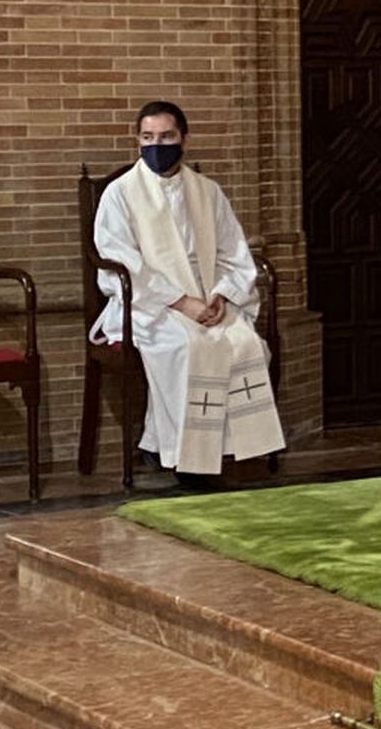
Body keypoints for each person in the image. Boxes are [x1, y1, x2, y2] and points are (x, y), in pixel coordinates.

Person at [92, 101, 285, 477]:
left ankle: (226, 448)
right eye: (147, 137)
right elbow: (119, 263)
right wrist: (182, 302)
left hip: (208, 294)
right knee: (184, 347)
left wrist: (221, 295)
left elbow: (233, 252)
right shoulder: (120, 193)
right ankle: (186, 457)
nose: (156, 145)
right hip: (149, 302)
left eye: (166, 136)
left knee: (248, 344)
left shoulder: (207, 191)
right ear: (137, 140)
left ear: (184, 139)